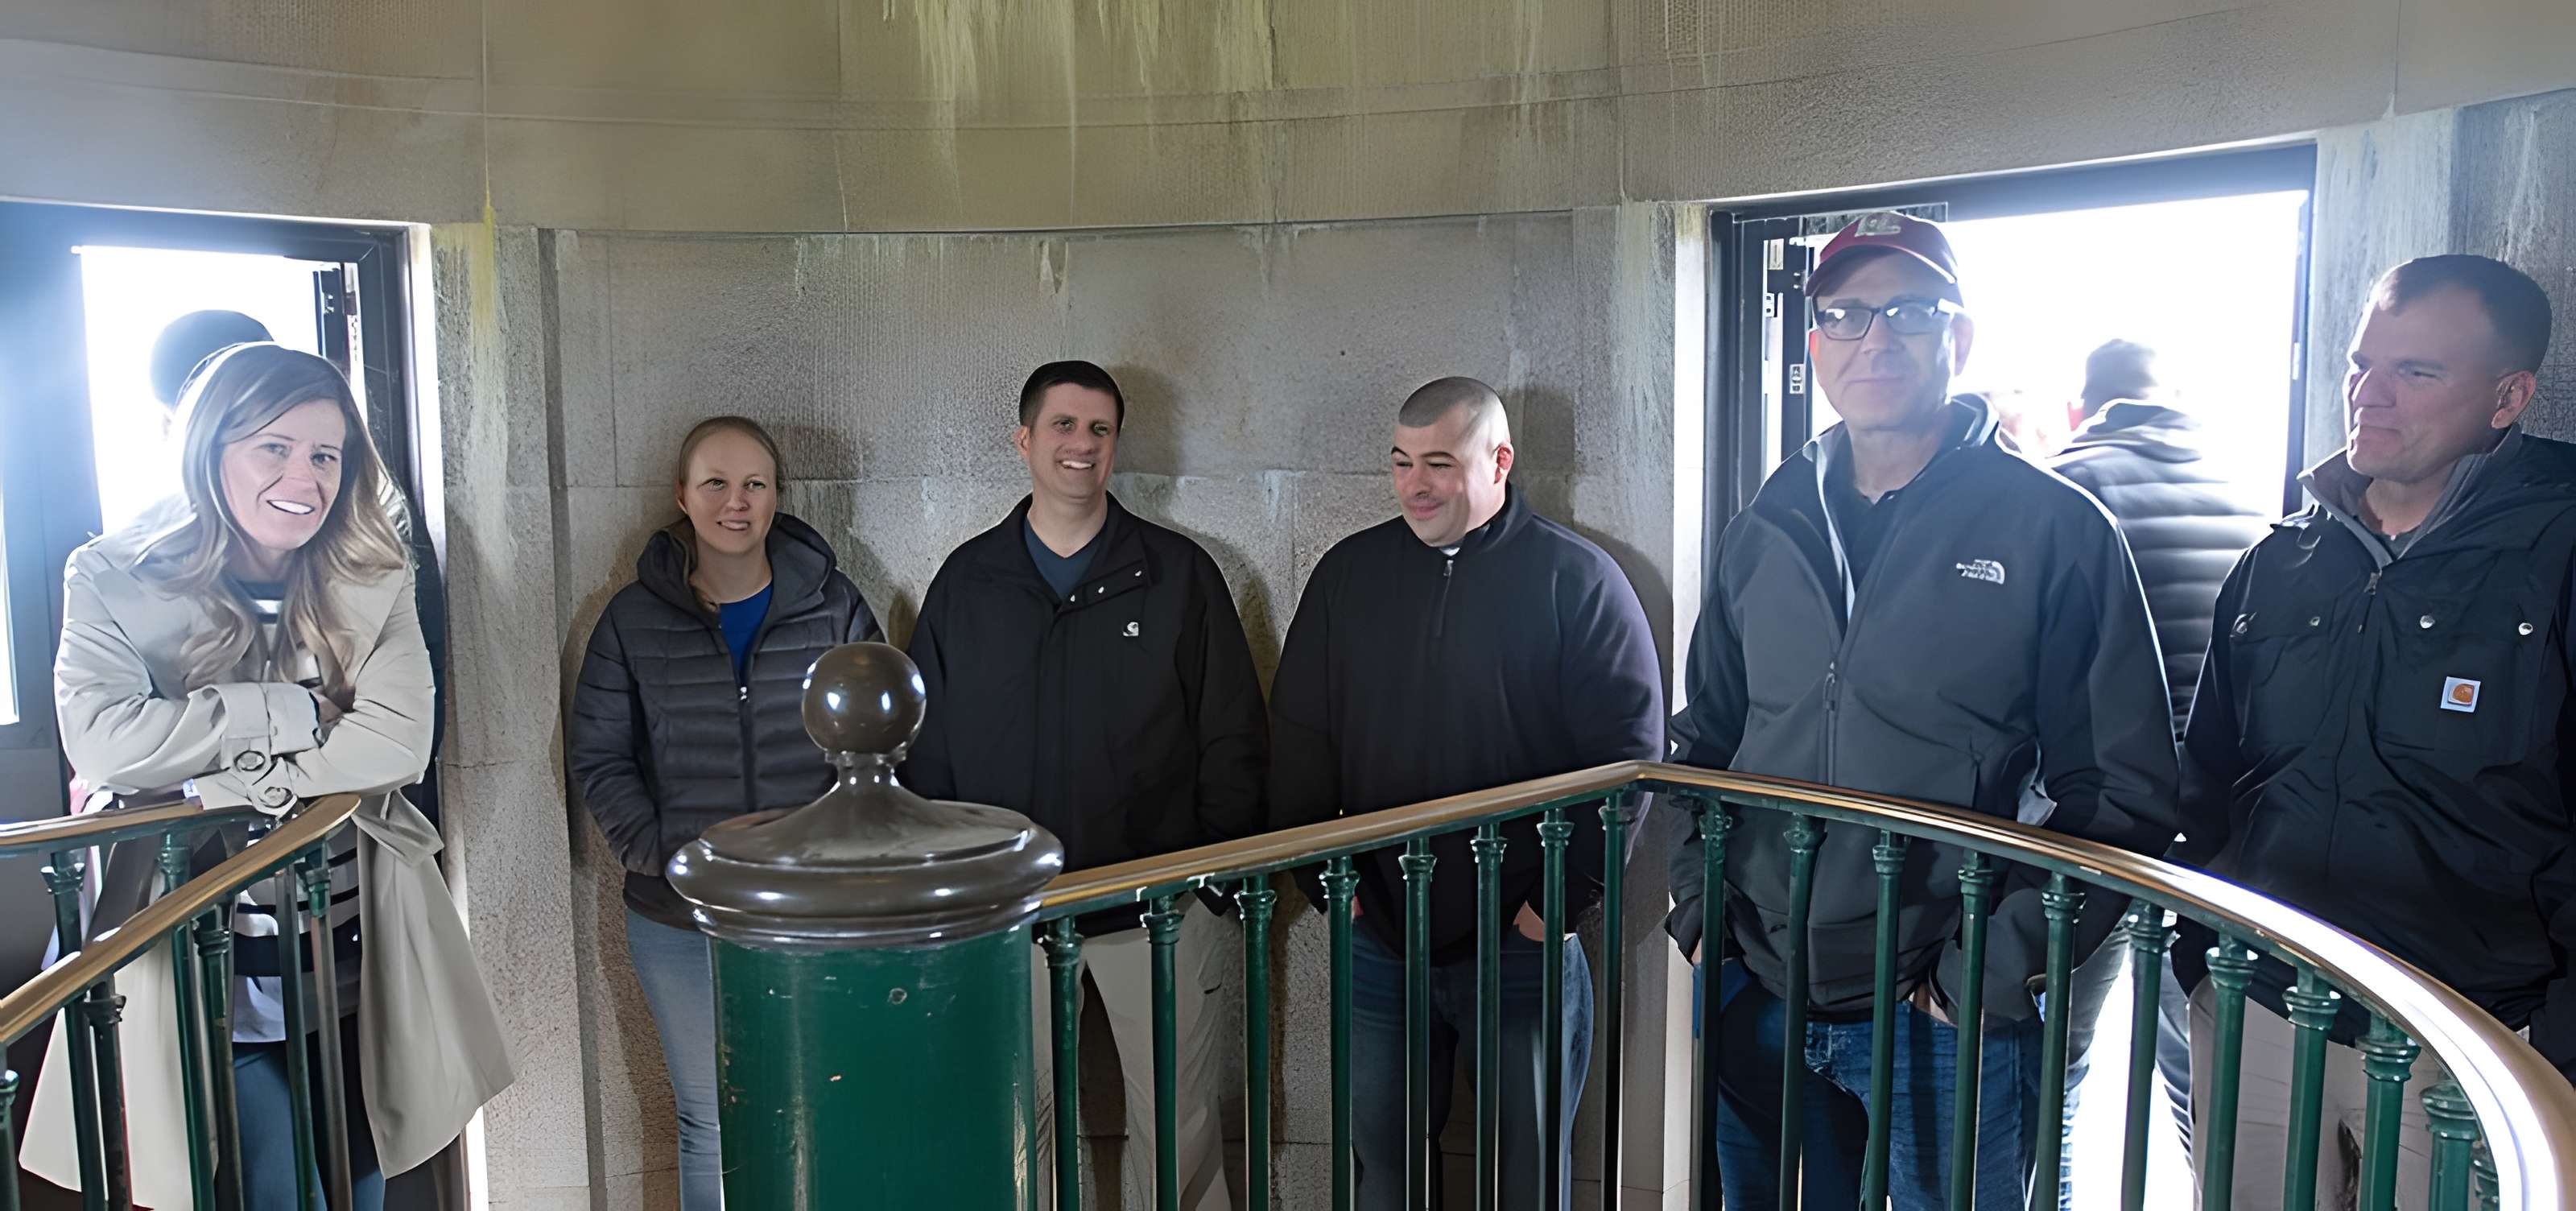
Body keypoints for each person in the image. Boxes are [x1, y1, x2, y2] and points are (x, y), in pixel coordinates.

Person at [1663, 213, 2178, 1211]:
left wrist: (1986, 970)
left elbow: (2121, 792)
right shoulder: (1767, 520)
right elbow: (1703, 740)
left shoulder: (2053, 529)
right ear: (1812, 344)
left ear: (1960, 337)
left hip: (1941, 1002)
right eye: (1845, 315)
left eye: (1909, 310)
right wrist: (1701, 911)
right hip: (1762, 979)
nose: (1876, 339)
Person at [44, 343, 513, 1209]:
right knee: (269, 1183)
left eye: (325, 454)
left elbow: (399, 745)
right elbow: (109, 746)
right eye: (274, 446)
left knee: (364, 1176)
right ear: (208, 446)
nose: (305, 475)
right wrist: (294, 716)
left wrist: (209, 777)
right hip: (207, 949)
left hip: (358, 943)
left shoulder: (374, 573)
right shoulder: (112, 574)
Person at [2172, 254, 2573, 1207]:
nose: (2368, 395)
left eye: (2415, 372)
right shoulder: (2278, 561)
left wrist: (2557, 1045)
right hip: (2260, 1009)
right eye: (2360, 364)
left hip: (2470, 1033)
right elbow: (2208, 776)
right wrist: (2204, 963)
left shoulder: (2556, 555)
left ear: (2507, 396)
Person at [1269, 377, 1664, 1211]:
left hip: (1521, 942)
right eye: (1402, 462)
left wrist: (1555, 903)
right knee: (1384, 1172)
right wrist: (1329, 889)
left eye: (1439, 463)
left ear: (1499, 460)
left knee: (1525, 1179)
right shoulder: (1349, 575)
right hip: (1377, 934)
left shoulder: (1576, 580)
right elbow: (1299, 737)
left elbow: (1625, 760)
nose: (1415, 484)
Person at [902, 361, 1265, 1211]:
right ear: (1024, 439)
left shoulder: (1179, 573)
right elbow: (926, 753)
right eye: (1063, 426)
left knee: (1177, 1127)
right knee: (1008, 1126)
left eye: (1099, 430)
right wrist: (962, 891)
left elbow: (1231, 731)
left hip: (1159, 911)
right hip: (1009, 917)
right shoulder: (967, 581)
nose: (1081, 445)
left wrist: (1206, 885)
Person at [569, 415, 883, 1211]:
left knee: (821, 1102)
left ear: (778, 497)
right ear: (682, 495)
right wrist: (660, 851)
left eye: (754, 484)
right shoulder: (630, 620)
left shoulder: (835, 606)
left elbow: (881, 739)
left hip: (808, 914)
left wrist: (833, 853)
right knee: (711, 1115)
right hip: (679, 920)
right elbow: (598, 754)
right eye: (716, 482)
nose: (735, 502)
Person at [2045, 338, 2272, 1208]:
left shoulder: (2065, 492)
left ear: (2082, 405)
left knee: (2055, 1064)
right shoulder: (2243, 494)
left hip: (2101, 826)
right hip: (2213, 837)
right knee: (2199, 1067)